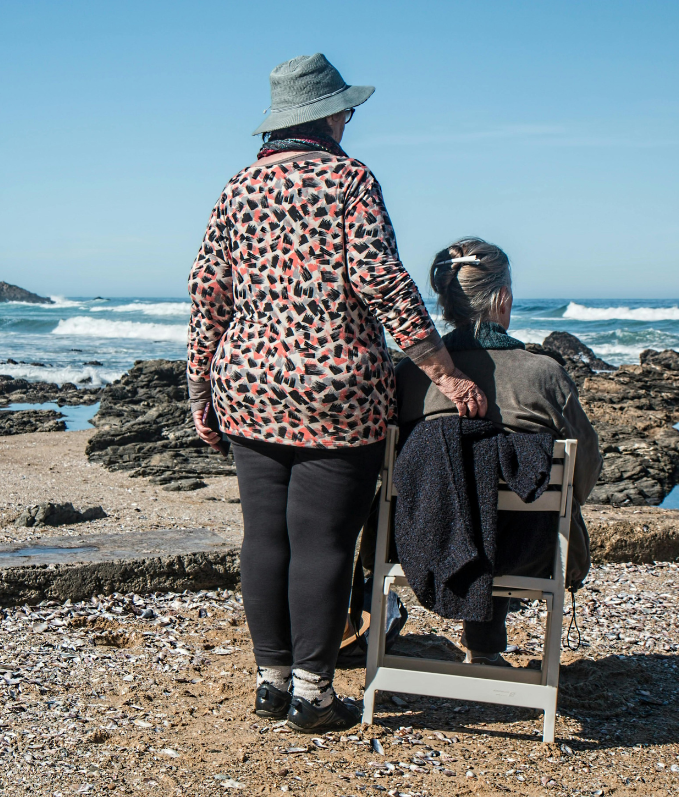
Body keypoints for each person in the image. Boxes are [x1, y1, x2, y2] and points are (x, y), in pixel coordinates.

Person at [187, 54, 488, 731]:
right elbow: (383, 282)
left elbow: (208, 294)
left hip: (248, 381)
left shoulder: (238, 187)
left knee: (264, 536)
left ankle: (270, 683)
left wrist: (199, 389)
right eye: (346, 109)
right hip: (337, 387)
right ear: (326, 115)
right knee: (322, 540)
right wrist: (444, 371)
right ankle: (312, 695)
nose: (350, 118)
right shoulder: (350, 179)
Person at [394, 237, 602, 665]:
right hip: (526, 550)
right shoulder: (543, 374)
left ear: (447, 303)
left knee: (464, 491)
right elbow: (585, 469)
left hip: (419, 543)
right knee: (509, 507)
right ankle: (486, 649)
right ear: (502, 298)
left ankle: (475, 648)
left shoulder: (411, 376)